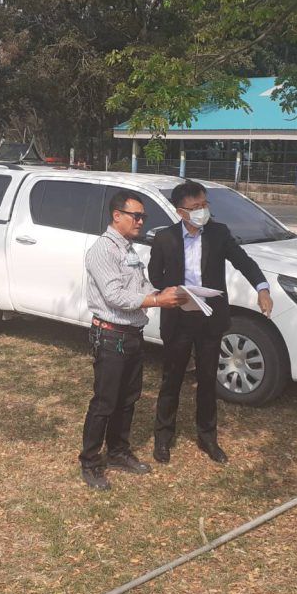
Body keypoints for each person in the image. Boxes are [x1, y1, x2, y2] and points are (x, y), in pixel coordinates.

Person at [148, 180, 273, 466]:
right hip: (178, 317)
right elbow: (155, 276)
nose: (202, 211)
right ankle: (163, 436)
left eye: (204, 204)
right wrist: (174, 290)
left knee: (207, 380)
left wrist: (262, 288)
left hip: (209, 319)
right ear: (181, 212)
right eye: (195, 207)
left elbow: (243, 261)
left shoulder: (218, 233)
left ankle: (207, 437)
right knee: (172, 379)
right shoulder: (165, 238)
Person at [79, 190, 184, 491]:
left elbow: (139, 285)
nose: (141, 221)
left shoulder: (128, 249)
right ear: (117, 216)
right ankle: (90, 461)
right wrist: (157, 300)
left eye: (143, 217)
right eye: (136, 216)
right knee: (105, 402)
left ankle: (118, 452)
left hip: (132, 335)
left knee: (127, 399)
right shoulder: (103, 250)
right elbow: (115, 296)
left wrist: (163, 293)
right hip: (111, 336)